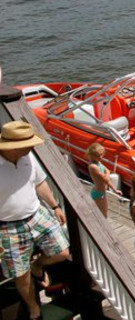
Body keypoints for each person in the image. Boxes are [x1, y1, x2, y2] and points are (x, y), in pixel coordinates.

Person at [0, 121, 70, 320]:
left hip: (36, 214)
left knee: (63, 253)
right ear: (13, 146)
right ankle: (33, 308)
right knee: (20, 274)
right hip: (7, 225)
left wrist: (54, 206)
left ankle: (38, 265)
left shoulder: (27, 157)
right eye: (28, 143)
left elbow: (40, 183)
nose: (32, 146)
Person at [86, 142, 120, 217]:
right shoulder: (93, 166)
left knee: (103, 214)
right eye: (98, 156)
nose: (101, 157)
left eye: (102, 155)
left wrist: (106, 175)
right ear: (92, 156)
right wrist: (115, 190)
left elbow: (107, 171)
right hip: (98, 193)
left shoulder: (98, 163)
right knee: (102, 215)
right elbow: (105, 179)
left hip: (102, 192)